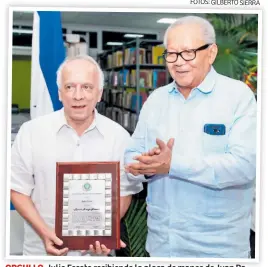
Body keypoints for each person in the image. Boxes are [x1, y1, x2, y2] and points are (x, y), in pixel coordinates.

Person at [124, 16, 257, 258]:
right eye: (171, 54)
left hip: (218, 248)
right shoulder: (156, 100)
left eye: (188, 53)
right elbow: (131, 154)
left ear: (212, 52)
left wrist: (172, 164)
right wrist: (148, 164)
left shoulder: (238, 97)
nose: (178, 62)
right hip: (162, 245)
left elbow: (244, 166)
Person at [11, 55, 141, 256]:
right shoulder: (31, 133)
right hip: (41, 253)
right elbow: (17, 189)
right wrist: (45, 233)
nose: (78, 95)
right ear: (60, 93)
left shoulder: (120, 138)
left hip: (97, 256)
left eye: (87, 87)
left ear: (99, 94)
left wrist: (105, 233)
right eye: (70, 87)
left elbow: (125, 192)